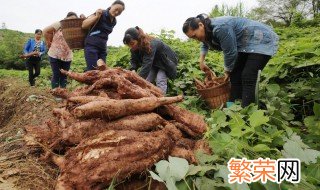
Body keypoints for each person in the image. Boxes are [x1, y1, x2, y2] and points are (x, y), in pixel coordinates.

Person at [182, 14, 279, 107]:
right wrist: (201, 61)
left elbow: (230, 52)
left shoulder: (220, 27)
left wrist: (227, 71)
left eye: (194, 36)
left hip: (260, 38)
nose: (195, 39)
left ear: (200, 25)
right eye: (192, 38)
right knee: (235, 75)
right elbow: (204, 43)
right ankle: (231, 107)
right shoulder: (206, 29)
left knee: (248, 75)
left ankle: (247, 110)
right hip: (245, 43)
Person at [123, 26, 178, 94]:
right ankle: (147, 96)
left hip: (166, 61)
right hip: (154, 63)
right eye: (129, 45)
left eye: (132, 43)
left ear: (138, 39)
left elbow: (147, 64)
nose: (131, 46)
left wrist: (137, 80)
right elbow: (133, 60)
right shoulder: (134, 48)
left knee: (160, 79)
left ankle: (162, 101)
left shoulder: (151, 44)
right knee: (147, 80)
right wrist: (133, 69)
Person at [82, 0, 125, 71]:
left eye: (119, 12)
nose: (117, 12)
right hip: (91, 46)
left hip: (102, 49)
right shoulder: (101, 13)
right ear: (111, 6)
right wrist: (96, 17)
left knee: (102, 72)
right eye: (116, 9)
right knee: (93, 71)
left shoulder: (114, 21)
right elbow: (84, 25)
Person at [43, 12, 78, 89]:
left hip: (67, 56)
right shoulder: (59, 24)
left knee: (64, 75)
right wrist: (48, 42)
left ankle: (63, 94)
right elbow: (45, 31)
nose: (72, 22)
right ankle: (55, 93)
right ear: (66, 19)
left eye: (74, 20)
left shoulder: (75, 28)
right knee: (56, 74)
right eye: (70, 19)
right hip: (54, 54)